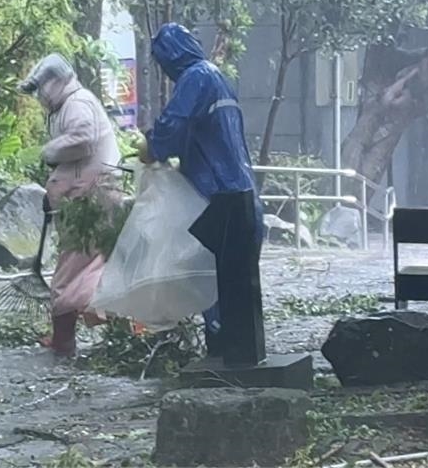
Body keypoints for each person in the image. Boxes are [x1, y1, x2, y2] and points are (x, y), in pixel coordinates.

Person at [138, 23, 267, 365]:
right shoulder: (218, 79)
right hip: (243, 193)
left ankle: (223, 355)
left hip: (218, 197)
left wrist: (152, 145)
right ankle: (238, 353)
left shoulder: (195, 78)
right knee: (237, 285)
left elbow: (172, 126)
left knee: (211, 278)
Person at [19, 53, 122, 358]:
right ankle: (79, 332)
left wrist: (47, 152)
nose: (40, 97)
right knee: (85, 265)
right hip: (83, 198)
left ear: (57, 82)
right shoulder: (70, 104)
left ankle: (64, 339)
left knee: (75, 270)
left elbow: (82, 139)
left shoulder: (77, 102)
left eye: (41, 89)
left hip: (89, 200)